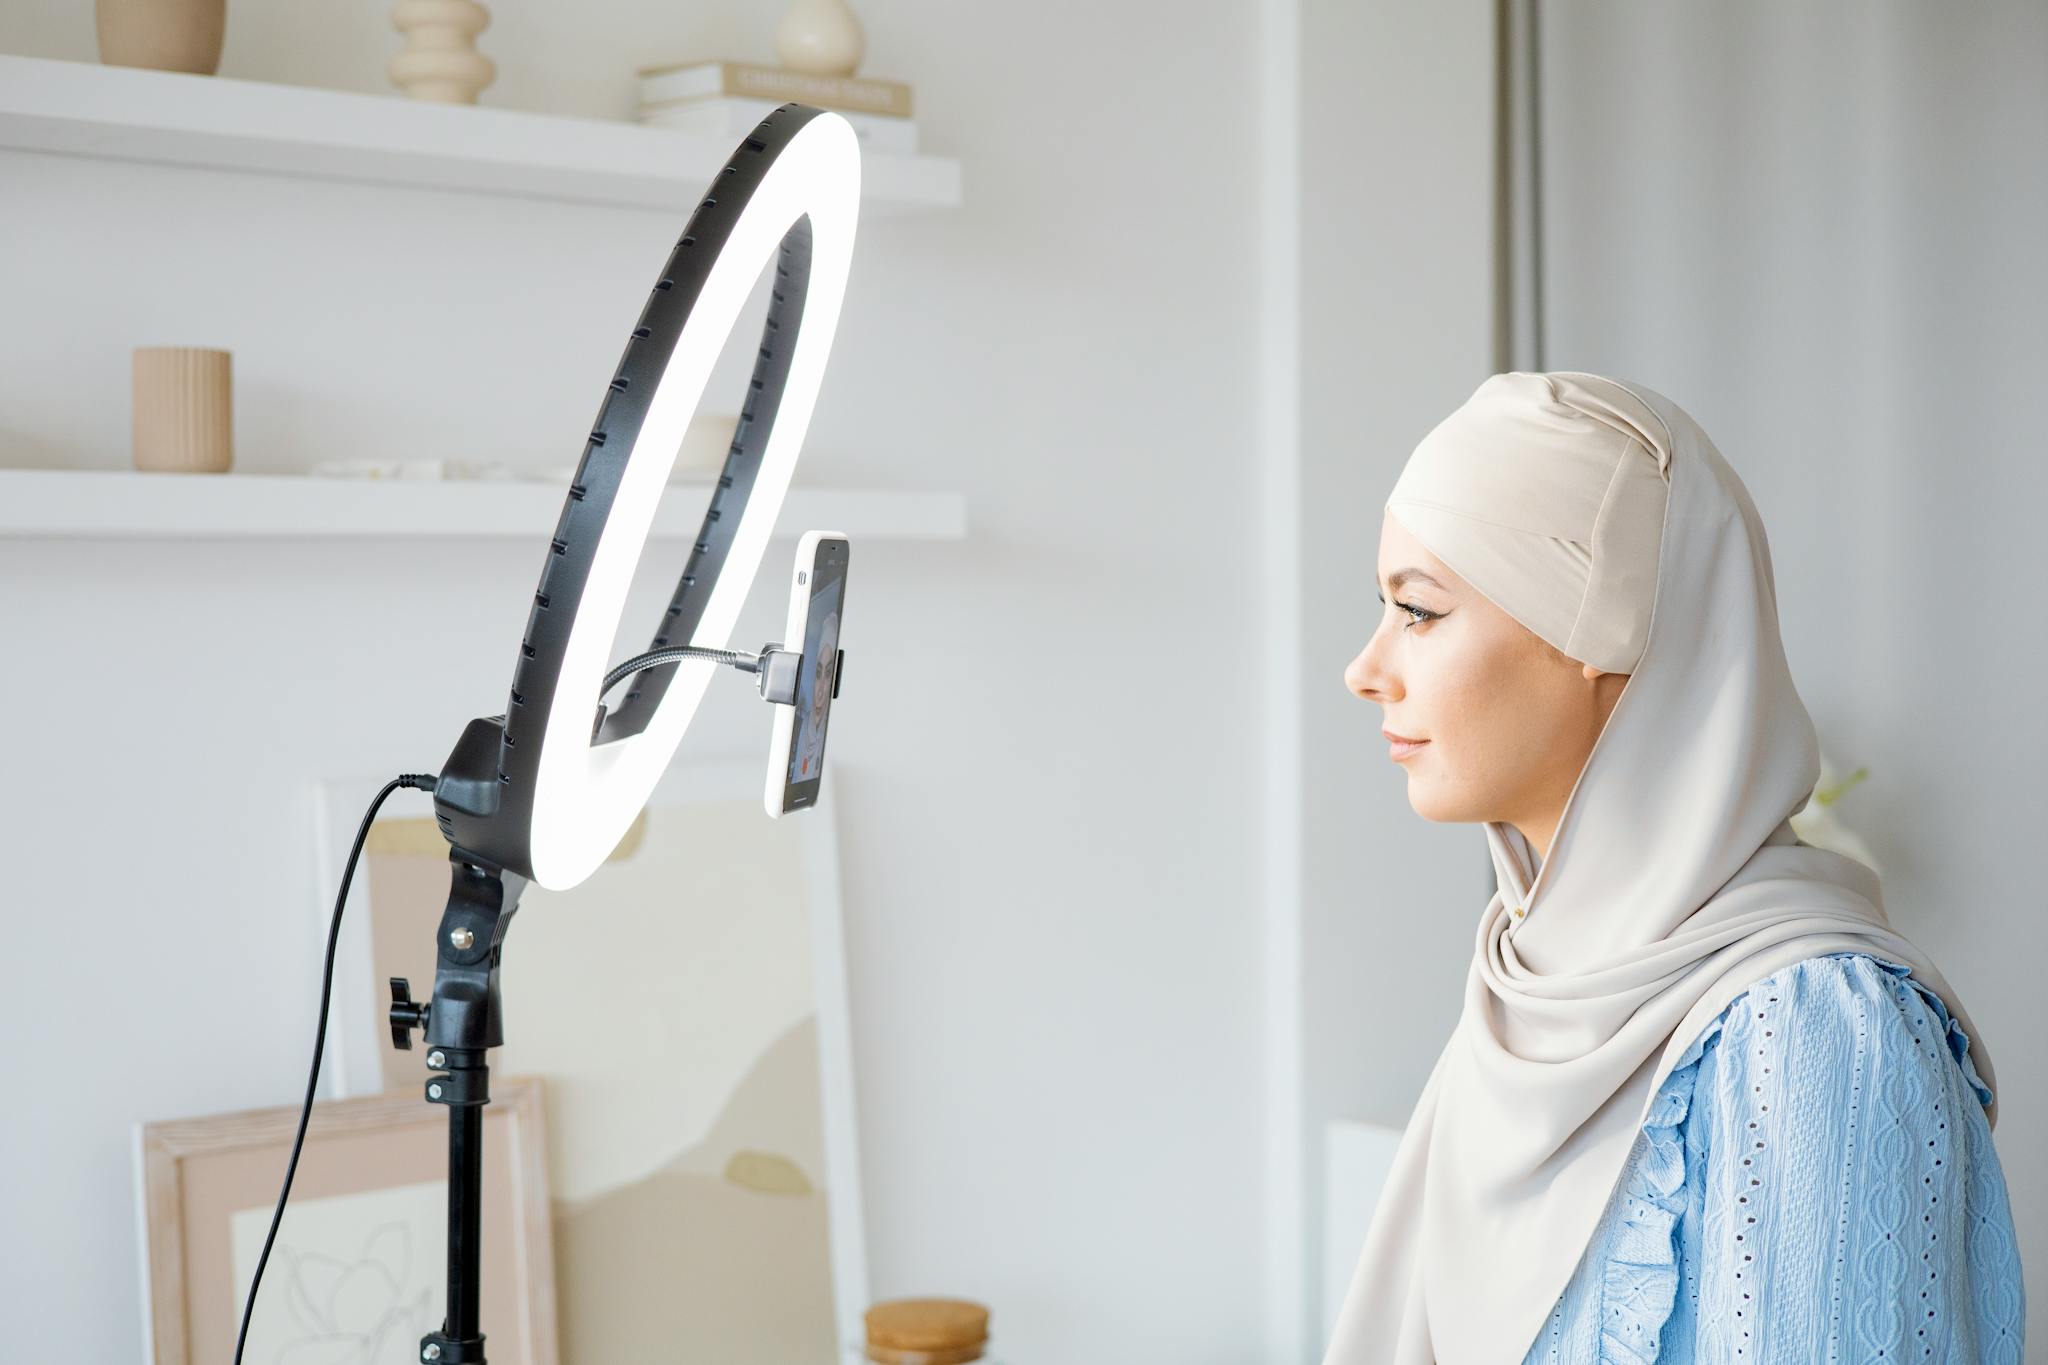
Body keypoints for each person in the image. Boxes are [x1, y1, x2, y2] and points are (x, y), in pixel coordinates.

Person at [1322, 372, 2024, 1364]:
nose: (1365, 668)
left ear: (1595, 632)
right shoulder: (1526, 995)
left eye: (1419, 612)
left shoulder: (1812, 1033)